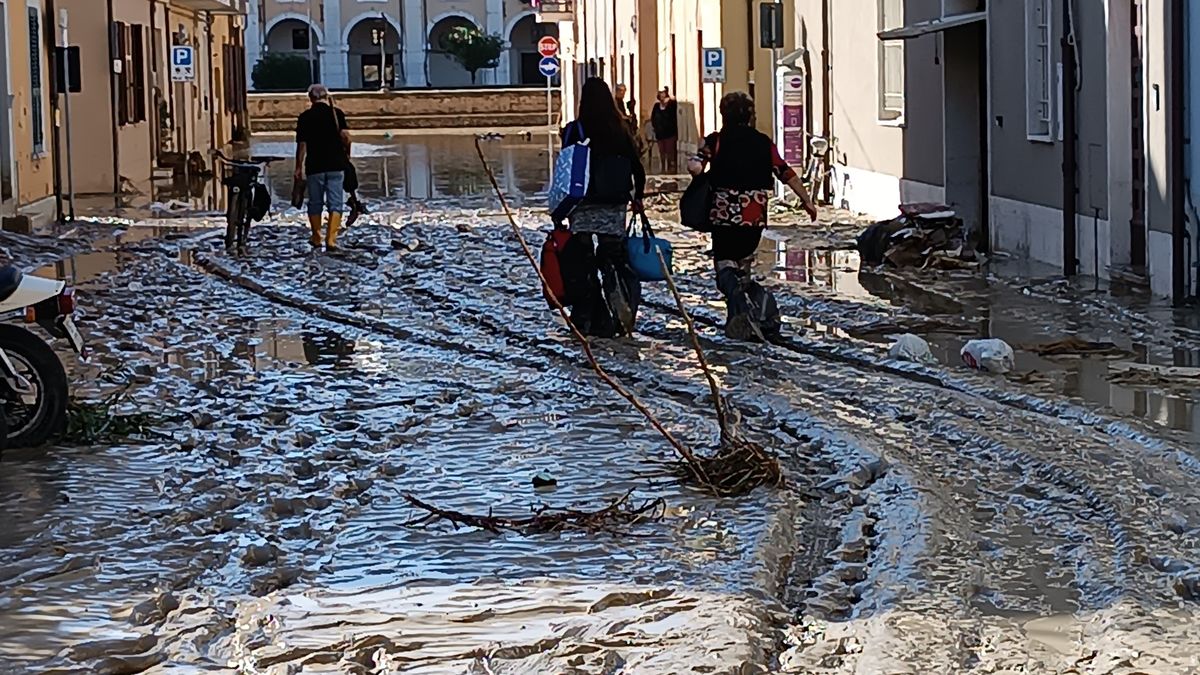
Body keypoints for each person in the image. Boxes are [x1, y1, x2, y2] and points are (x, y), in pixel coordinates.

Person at [687, 91, 819, 342]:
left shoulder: (716, 140)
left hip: (724, 216)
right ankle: (745, 314)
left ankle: (738, 307)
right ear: (750, 115)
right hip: (754, 215)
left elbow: (694, 167)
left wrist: (699, 170)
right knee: (743, 266)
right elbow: (784, 171)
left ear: (722, 114)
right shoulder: (763, 142)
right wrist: (806, 200)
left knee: (725, 266)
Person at [558, 78, 647, 338]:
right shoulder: (620, 129)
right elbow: (637, 168)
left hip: (583, 203)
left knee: (583, 261)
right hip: (614, 203)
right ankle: (619, 302)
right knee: (613, 257)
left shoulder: (575, 130)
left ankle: (587, 316)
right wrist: (637, 197)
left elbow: (564, 170)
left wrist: (559, 210)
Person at [294, 84, 351, 251]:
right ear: (326, 97)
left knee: (315, 202)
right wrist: (347, 156)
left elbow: (302, 145)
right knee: (336, 203)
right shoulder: (336, 114)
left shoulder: (305, 117)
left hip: (315, 166)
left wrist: (298, 167)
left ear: (310, 98)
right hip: (336, 164)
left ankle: (316, 237)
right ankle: (331, 239)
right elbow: (346, 138)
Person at [650, 88, 678, 174]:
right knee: (662, 152)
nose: (661, 95)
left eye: (663, 93)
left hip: (669, 133)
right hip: (659, 133)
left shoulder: (671, 104)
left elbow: (673, 117)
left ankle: (670, 167)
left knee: (669, 151)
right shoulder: (656, 106)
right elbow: (653, 117)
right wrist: (655, 127)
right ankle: (662, 167)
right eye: (660, 93)